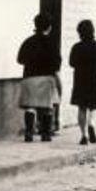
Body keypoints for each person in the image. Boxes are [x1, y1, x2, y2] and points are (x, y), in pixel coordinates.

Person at [16, 14, 61, 143]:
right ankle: (45, 134)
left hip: (29, 77)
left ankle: (29, 133)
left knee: (30, 106)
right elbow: (57, 63)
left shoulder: (28, 41)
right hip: (47, 78)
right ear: (49, 27)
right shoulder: (52, 43)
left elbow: (20, 59)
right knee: (47, 106)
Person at [67, 19, 96, 146]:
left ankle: (83, 135)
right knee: (95, 107)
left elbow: (71, 63)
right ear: (93, 31)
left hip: (80, 81)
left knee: (82, 108)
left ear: (79, 33)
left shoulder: (76, 47)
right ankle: (92, 124)